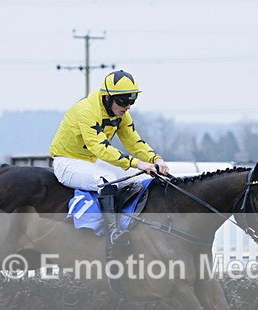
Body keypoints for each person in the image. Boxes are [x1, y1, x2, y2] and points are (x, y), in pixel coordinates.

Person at [49, 70, 169, 248]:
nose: (127, 106)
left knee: (142, 177)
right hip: (66, 161)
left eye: (131, 101)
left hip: (91, 161)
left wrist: (155, 159)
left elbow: (134, 142)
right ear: (107, 97)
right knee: (108, 180)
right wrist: (137, 163)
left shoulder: (121, 114)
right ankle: (113, 233)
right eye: (123, 101)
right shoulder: (86, 111)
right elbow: (99, 147)